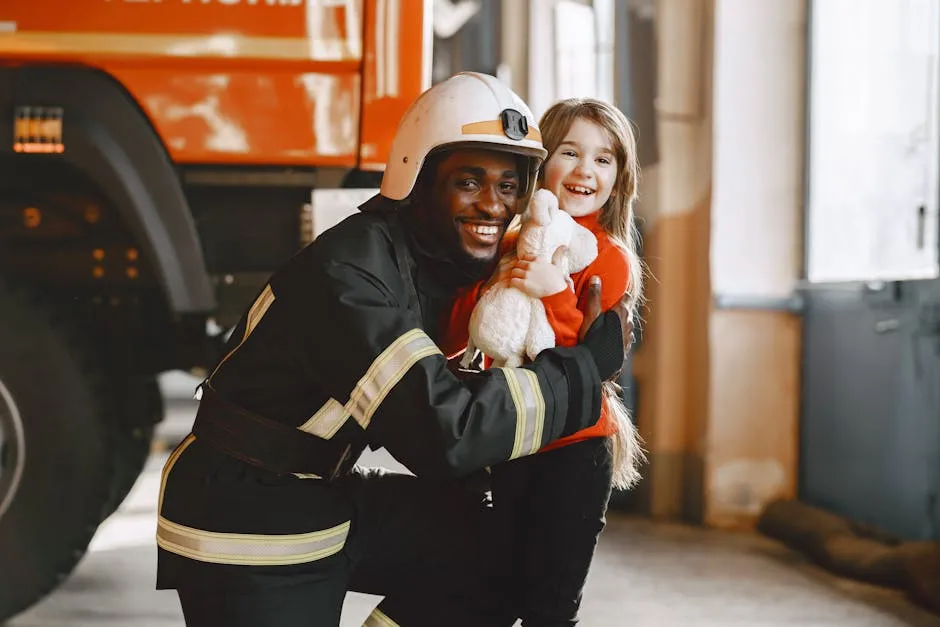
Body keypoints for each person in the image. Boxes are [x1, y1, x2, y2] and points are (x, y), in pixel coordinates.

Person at [154, 73, 630, 627]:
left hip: (319, 488)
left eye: (508, 186)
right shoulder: (351, 276)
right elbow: (441, 431)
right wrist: (582, 369)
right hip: (248, 516)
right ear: (418, 179)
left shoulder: (429, 257)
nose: (493, 206)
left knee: (503, 558)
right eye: (469, 181)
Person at [443, 97, 645, 626]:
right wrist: (490, 284)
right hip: (506, 437)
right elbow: (462, 330)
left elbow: (580, 365)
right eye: (571, 152)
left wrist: (555, 290)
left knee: (547, 607)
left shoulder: (608, 259)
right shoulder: (504, 240)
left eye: (604, 160)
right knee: (487, 592)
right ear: (540, 160)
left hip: (572, 450)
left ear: (618, 177)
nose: (585, 170)